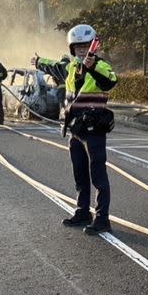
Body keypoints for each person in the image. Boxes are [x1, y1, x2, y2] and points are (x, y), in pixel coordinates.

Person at [32, 24, 118, 235]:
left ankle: (102, 218)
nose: (82, 50)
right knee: (80, 174)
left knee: (98, 175)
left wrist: (93, 67)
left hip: (94, 130)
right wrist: (38, 61)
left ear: (93, 46)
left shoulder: (102, 66)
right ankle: (82, 212)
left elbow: (111, 82)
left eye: (85, 46)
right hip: (75, 130)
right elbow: (54, 66)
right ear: (72, 49)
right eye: (77, 47)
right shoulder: (70, 68)